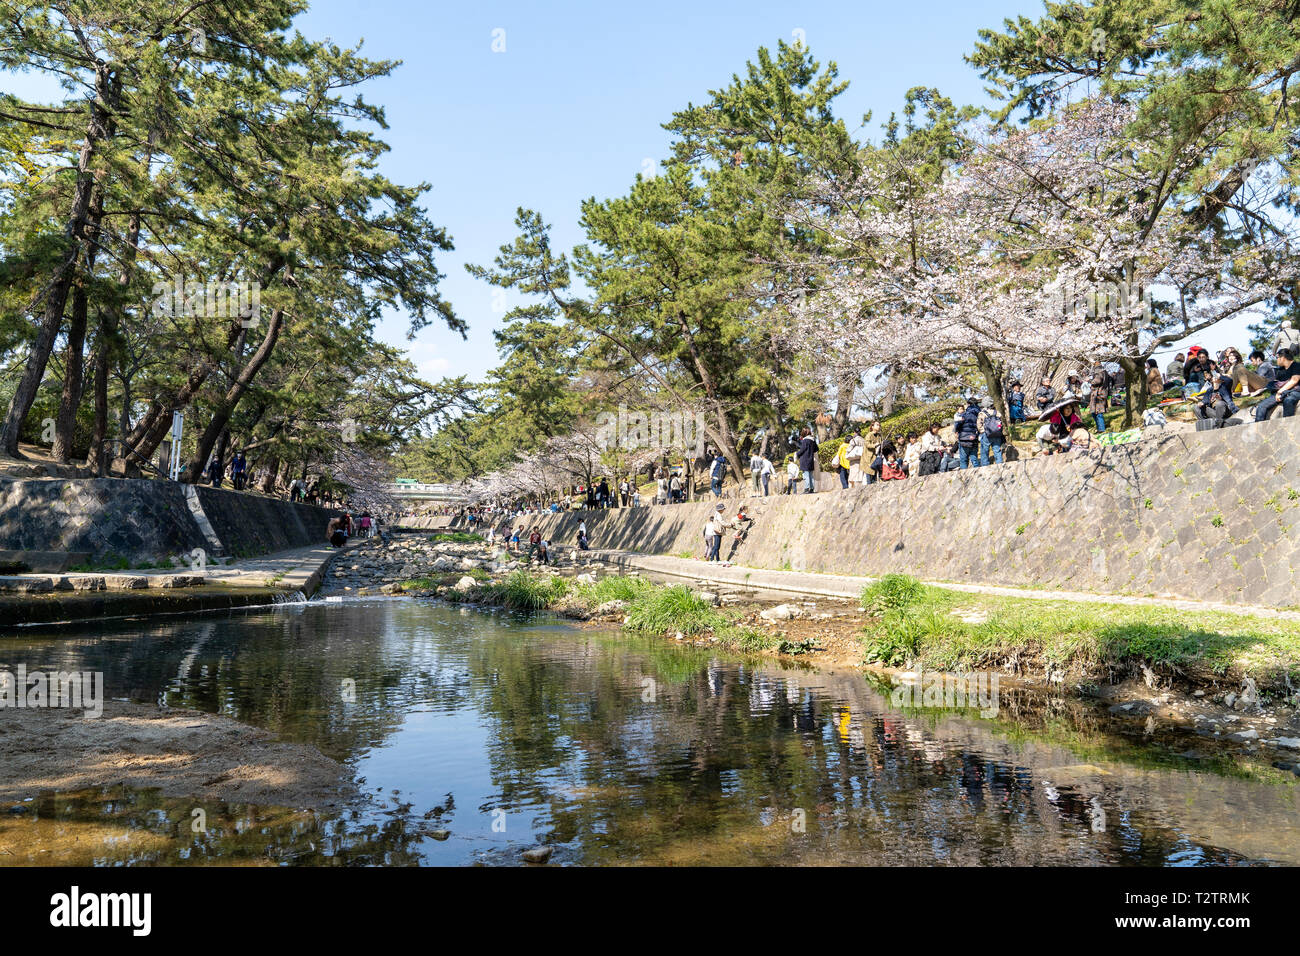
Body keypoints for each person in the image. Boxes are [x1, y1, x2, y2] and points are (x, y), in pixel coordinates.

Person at [1254, 348, 1300, 420]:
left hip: (1295, 391)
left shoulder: (1296, 365)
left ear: (1283, 358)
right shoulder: (1280, 370)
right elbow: (1277, 383)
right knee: (1261, 406)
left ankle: (1287, 425)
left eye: (1277, 357)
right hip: (1281, 393)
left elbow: (1294, 380)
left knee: (1288, 400)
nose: (1276, 360)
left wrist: (1280, 392)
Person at [978, 400, 1005, 466]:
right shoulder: (997, 412)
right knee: (997, 450)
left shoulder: (982, 413)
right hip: (997, 433)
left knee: (985, 452)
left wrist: (982, 431)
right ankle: (1000, 465)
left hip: (986, 434)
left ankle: (985, 467)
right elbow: (1000, 422)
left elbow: (979, 424)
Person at [956, 397, 981, 469]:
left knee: (963, 460)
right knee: (974, 459)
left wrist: (957, 430)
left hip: (964, 439)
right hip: (974, 438)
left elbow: (958, 425)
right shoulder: (979, 413)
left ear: (969, 404)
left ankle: (964, 478)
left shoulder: (966, 414)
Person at [796, 427, 818, 493]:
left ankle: (806, 488)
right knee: (811, 475)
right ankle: (811, 488)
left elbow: (802, 450)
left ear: (804, 433)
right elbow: (816, 449)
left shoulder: (805, 440)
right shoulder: (812, 440)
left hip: (804, 459)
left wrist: (797, 454)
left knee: (806, 475)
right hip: (811, 459)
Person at [1088, 365, 1109, 433]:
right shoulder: (1104, 372)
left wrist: (1089, 380)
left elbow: (1097, 381)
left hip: (1099, 396)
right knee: (1094, 413)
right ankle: (1099, 428)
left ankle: (1101, 430)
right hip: (1098, 395)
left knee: (1098, 413)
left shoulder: (1101, 372)